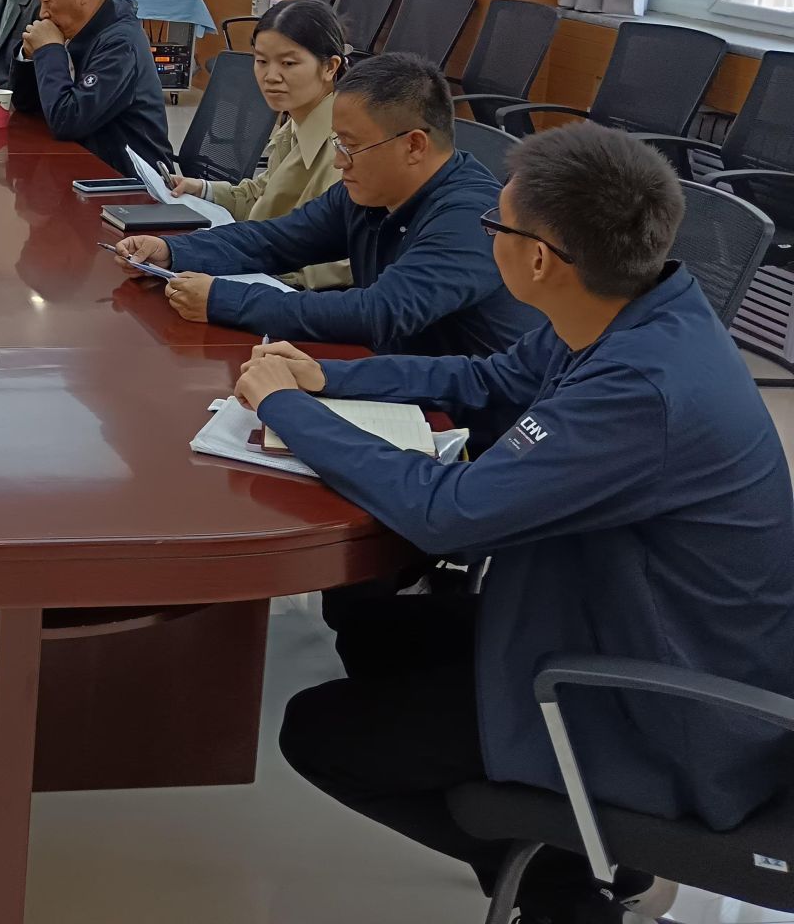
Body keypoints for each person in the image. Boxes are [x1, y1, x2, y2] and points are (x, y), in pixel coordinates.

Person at [236, 123, 794, 924]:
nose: (485, 236)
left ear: (538, 259)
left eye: (493, 224)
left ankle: (566, 889)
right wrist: (325, 377)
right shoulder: (633, 310)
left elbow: (448, 514)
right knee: (377, 634)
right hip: (611, 620)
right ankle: (570, 852)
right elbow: (489, 376)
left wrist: (288, 410)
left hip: (665, 709)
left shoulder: (644, 391)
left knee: (320, 735)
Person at [116, 53, 540, 356]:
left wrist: (222, 299)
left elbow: (377, 313)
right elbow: (277, 239)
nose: (339, 161)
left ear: (414, 146)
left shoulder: (470, 218)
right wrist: (173, 251)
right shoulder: (372, 189)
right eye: (338, 143)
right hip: (395, 373)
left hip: (471, 424)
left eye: (351, 146)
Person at [171, 0, 351, 290]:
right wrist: (202, 189)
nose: (271, 76)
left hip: (297, 295)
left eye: (288, 63)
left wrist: (231, 279)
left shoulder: (346, 145)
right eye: (261, 61)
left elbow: (339, 263)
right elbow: (262, 195)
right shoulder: (297, 122)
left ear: (330, 67)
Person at [11, 0, 173, 171]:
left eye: (47, 1)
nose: (43, 13)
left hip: (127, 179)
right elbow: (27, 105)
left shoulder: (121, 43)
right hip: (83, 162)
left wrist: (50, 50)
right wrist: (29, 56)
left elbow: (67, 120)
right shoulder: (84, 27)